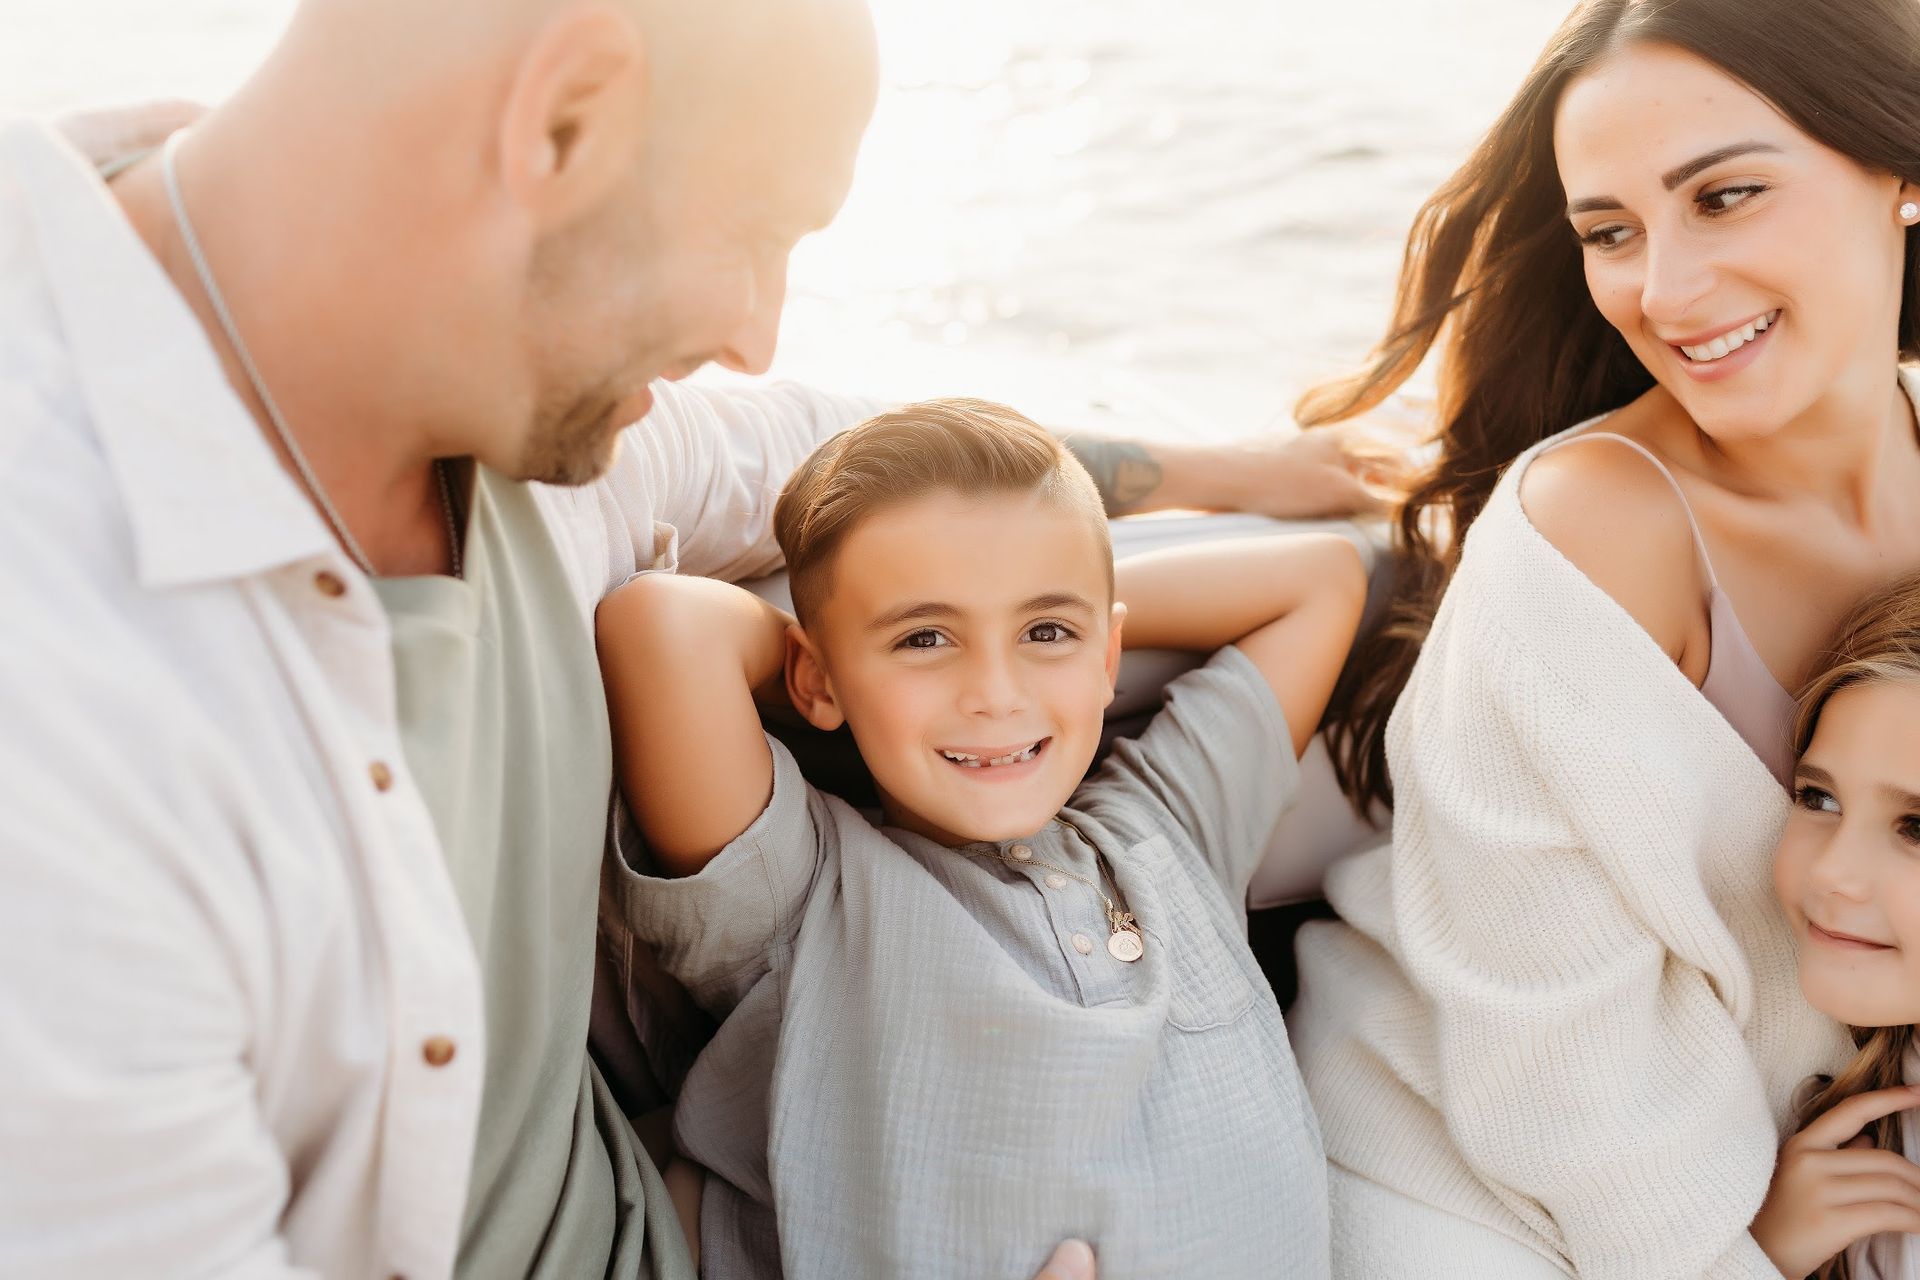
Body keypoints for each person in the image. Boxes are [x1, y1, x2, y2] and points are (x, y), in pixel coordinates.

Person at [0, 1, 1383, 1274]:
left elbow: (820, 442)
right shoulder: (67, 713)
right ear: (566, 117)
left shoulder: (546, 430)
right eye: (757, 233)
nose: (755, 332)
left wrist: (1217, 469)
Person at [1264, 0, 1920, 1274]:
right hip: (1485, 1188)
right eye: (1609, 232)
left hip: (1820, 1167)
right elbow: (1553, 1057)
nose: (1663, 290)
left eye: (1724, 197)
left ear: (1898, 167)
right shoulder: (1592, 535)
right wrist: (1742, 1256)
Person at [594, 398, 1365, 1278]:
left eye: (1046, 632)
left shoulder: (1172, 825)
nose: (996, 693)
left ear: (1105, 656)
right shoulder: (805, 901)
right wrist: (846, 661)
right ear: (814, 673)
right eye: (925, 638)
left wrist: (1052, 615)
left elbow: (1323, 579)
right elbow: (660, 629)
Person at [1757, 573, 1920, 1279]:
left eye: (1917, 827)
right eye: (1817, 797)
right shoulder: (1833, 1121)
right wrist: (1764, 1262)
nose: (1832, 874)